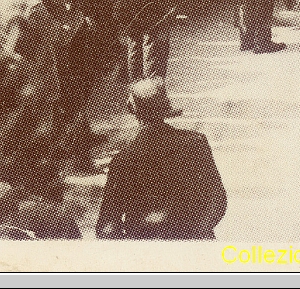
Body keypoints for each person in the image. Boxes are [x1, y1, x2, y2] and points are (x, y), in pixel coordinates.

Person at [96, 77, 227, 240]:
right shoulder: (196, 143)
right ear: (166, 108)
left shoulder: (123, 161)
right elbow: (218, 198)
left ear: (133, 110)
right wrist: (197, 233)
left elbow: (107, 227)